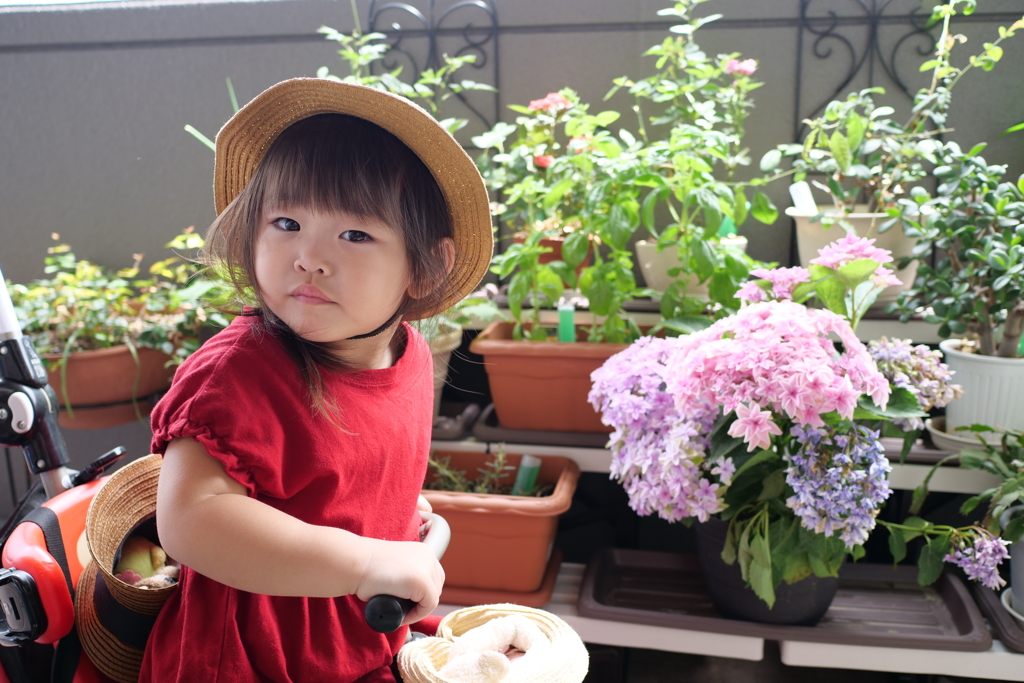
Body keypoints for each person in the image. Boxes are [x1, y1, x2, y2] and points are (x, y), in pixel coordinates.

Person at [140, 78, 493, 683]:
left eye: (354, 234)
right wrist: (364, 559)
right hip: (250, 659)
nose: (309, 257)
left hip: (358, 638)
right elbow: (193, 519)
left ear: (425, 265)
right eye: (285, 222)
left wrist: (393, 513)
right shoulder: (239, 374)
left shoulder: (405, 355)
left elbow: (346, 475)